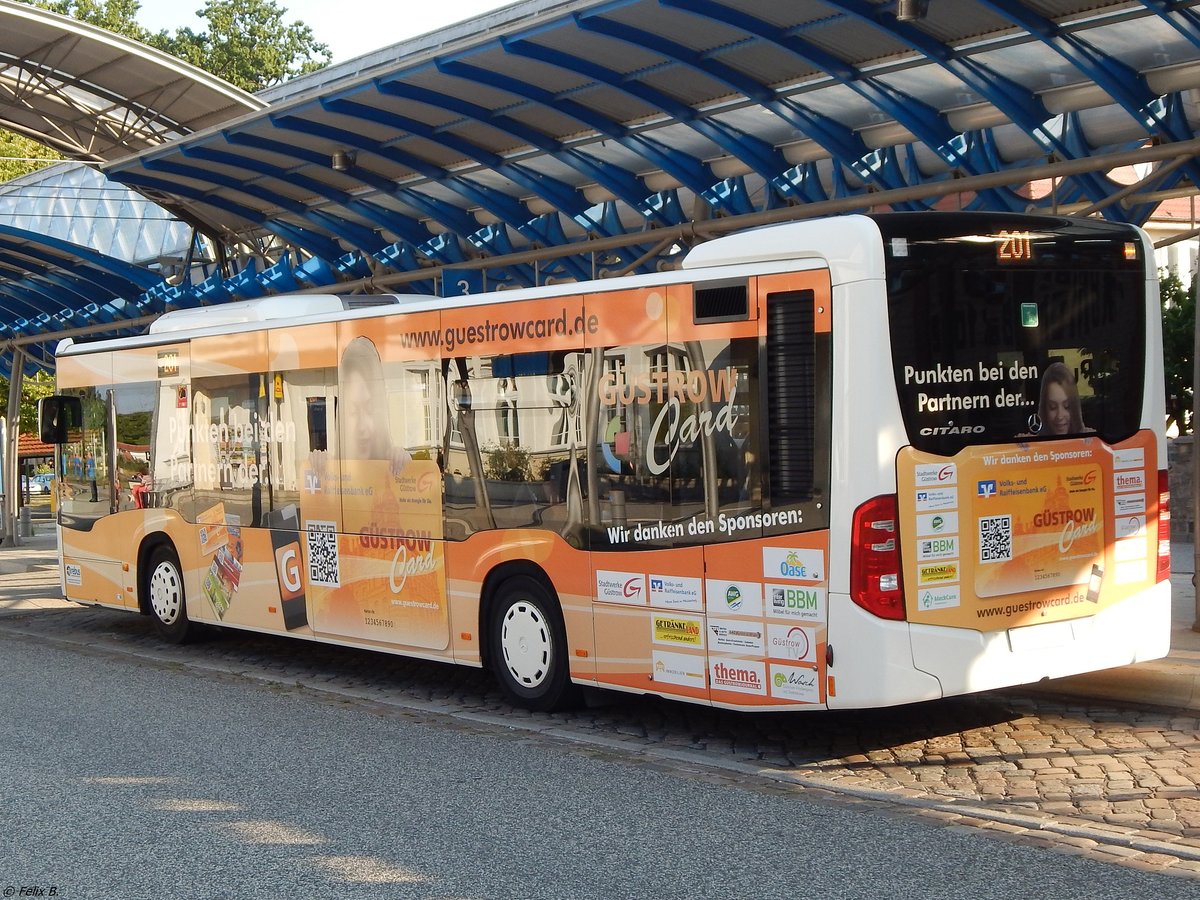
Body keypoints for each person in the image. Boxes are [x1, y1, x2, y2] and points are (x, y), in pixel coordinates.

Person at [1037, 361, 1092, 436]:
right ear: (1044, 409)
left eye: (1067, 406)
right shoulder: (1032, 443)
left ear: (1074, 407)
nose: (1059, 416)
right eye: (1052, 407)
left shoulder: (1089, 438)